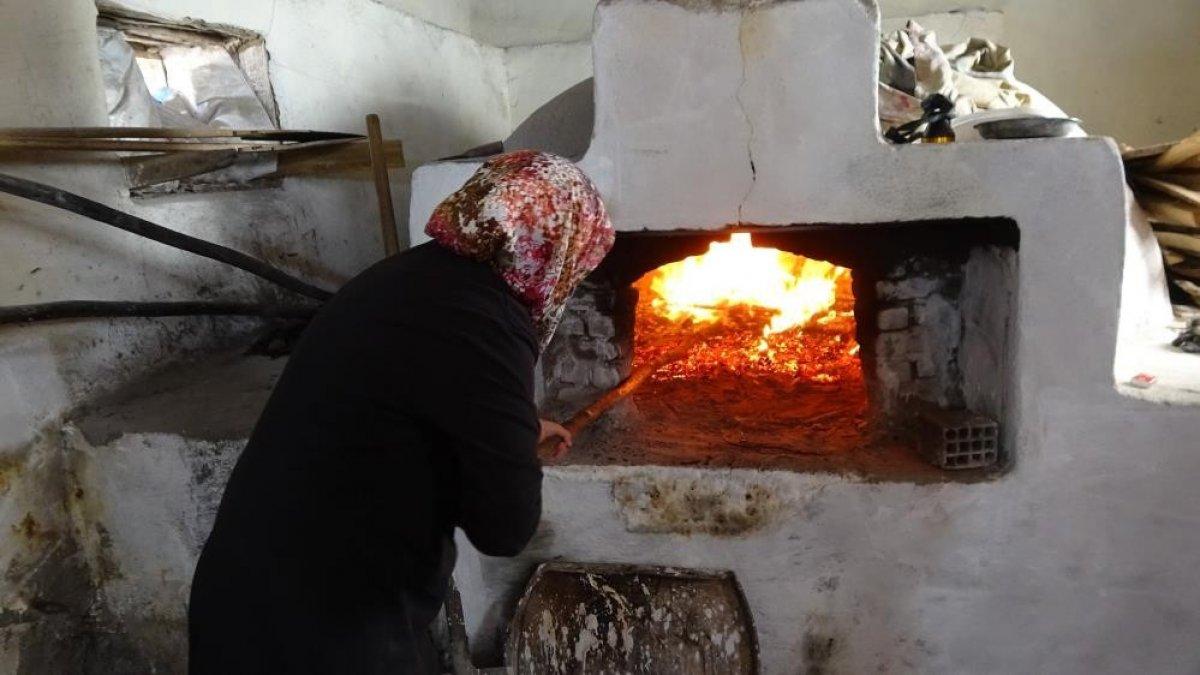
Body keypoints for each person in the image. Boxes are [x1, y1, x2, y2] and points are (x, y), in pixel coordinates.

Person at [188, 150, 614, 674]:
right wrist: (506, 451)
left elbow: (420, 400)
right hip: (328, 623)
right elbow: (504, 527)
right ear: (559, 244)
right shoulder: (487, 323)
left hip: (255, 586)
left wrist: (508, 429)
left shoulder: (412, 277)